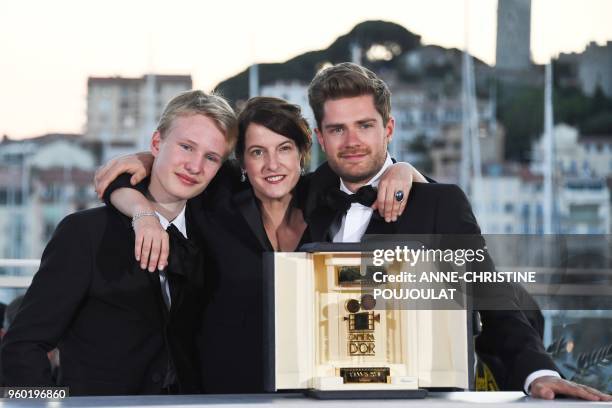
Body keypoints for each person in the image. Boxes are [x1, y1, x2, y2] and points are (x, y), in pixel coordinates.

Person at [302, 62, 611, 401]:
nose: (352, 141)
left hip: (424, 398)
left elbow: (490, 294)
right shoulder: (308, 198)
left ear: (388, 129)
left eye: (364, 125)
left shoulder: (440, 204)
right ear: (320, 137)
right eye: (337, 130)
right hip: (321, 395)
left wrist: (538, 372)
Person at [94, 96, 427, 393]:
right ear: (242, 161)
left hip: (312, 390)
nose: (272, 165)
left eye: (284, 149)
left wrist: (404, 170)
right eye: (257, 152)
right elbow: (120, 182)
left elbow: (428, 202)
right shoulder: (218, 198)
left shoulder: (325, 195)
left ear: (302, 155)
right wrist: (144, 199)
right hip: (223, 392)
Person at [0, 90, 236, 395]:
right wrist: (56, 407)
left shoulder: (213, 235)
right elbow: (21, 349)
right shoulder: (84, 233)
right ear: (156, 143)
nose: (195, 165)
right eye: (186, 147)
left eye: (211, 157)